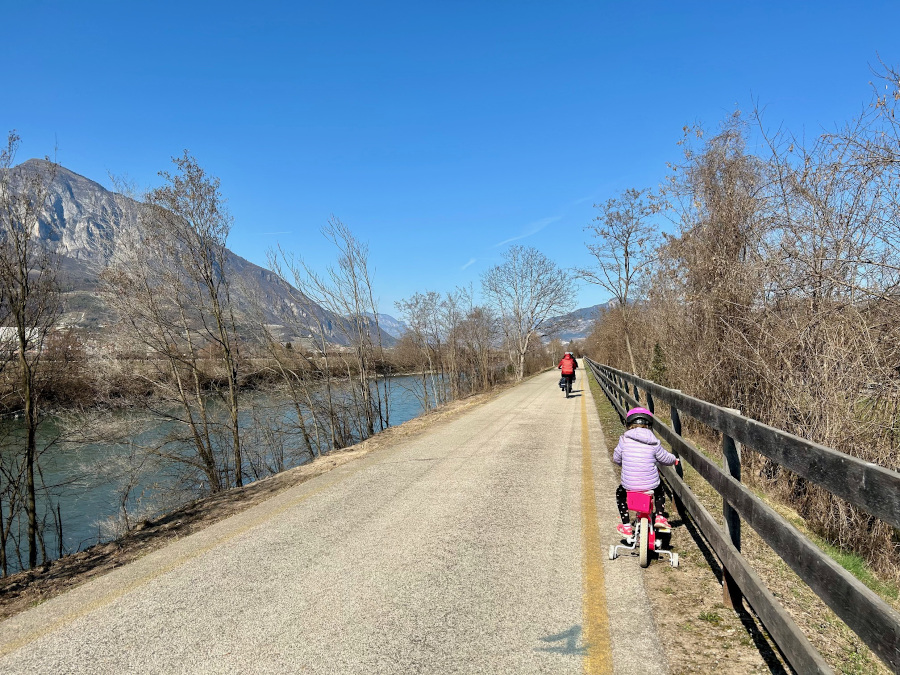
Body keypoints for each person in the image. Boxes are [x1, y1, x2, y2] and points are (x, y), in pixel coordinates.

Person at [613, 407, 679, 536]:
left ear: (628, 424)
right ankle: (660, 516)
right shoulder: (653, 442)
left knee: (620, 494)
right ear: (649, 425)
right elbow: (665, 458)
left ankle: (626, 526)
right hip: (650, 485)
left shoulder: (624, 440)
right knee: (659, 490)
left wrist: (624, 463)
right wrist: (674, 460)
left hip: (629, 485)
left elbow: (616, 458)